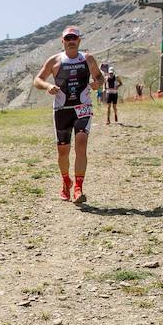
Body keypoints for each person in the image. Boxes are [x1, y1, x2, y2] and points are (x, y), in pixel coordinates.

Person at [32, 26, 104, 203]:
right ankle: (66, 182)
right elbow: (37, 80)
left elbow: (100, 77)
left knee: (81, 144)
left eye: (74, 38)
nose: (71, 41)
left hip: (83, 107)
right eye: (68, 38)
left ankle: (79, 188)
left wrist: (97, 83)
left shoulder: (88, 59)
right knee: (63, 151)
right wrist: (48, 86)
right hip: (62, 110)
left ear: (79, 41)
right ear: (62, 41)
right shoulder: (54, 60)